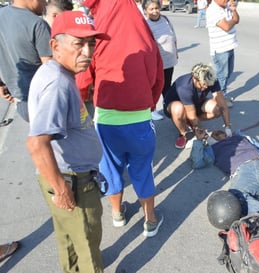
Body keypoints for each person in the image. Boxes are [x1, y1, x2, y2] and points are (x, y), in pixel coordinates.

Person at [26, 11, 109, 272]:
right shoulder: (58, 84)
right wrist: (61, 188)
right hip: (72, 180)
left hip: (65, 174)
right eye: (78, 44)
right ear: (55, 45)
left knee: (69, 239)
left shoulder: (55, 71)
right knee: (87, 245)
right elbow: (37, 143)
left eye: (91, 44)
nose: (87, 52)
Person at [76, 0, 164, 237]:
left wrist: (82, 99)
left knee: (110, 169)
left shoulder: (98, 31)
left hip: (106, 119)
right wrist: (150, 103)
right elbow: (158, 75)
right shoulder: (143, 31)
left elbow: (83, 75)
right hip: (139, 119)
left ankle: (117, 214)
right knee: (143, 169)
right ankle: (151, 220)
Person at [0, 0, 52, 122]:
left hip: (18, 98)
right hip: (41, 100)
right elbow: (51, 68)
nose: (45, 4)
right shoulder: (38, 24)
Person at [163, 63, 232, 149]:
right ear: (194, 79)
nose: (206, 87)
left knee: (217, 110)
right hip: (174, 105)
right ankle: (184, 134)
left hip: (195, 102)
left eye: (208, 85)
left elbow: (223, 105)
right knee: (178, 109)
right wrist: (205, 136)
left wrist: (228, 126)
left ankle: (188, 122)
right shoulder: (184, 87)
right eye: (203, 84)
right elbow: (192, 115)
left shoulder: (211, 79)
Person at [144, 0, 178, 121]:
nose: (155, 11)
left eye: (156, 8)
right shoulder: (145, 24)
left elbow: (173, 35)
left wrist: (176, 50)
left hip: (169, 60)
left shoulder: (165, 19)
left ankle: (168, 107)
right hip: (157, 62)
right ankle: (151, 110)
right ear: (145, 11)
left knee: (166, 85)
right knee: (155, 86)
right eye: (151, 9)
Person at [206, 0, 239, 107]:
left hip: (230, 46)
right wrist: (232, 21)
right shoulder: (212, 10)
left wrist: (234, 10)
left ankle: (222, 96)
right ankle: (220, 99)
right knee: (222, 75)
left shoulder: (226, 7)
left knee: (228, 73)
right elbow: (226, 26)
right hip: (220, 48)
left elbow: (236, 19)